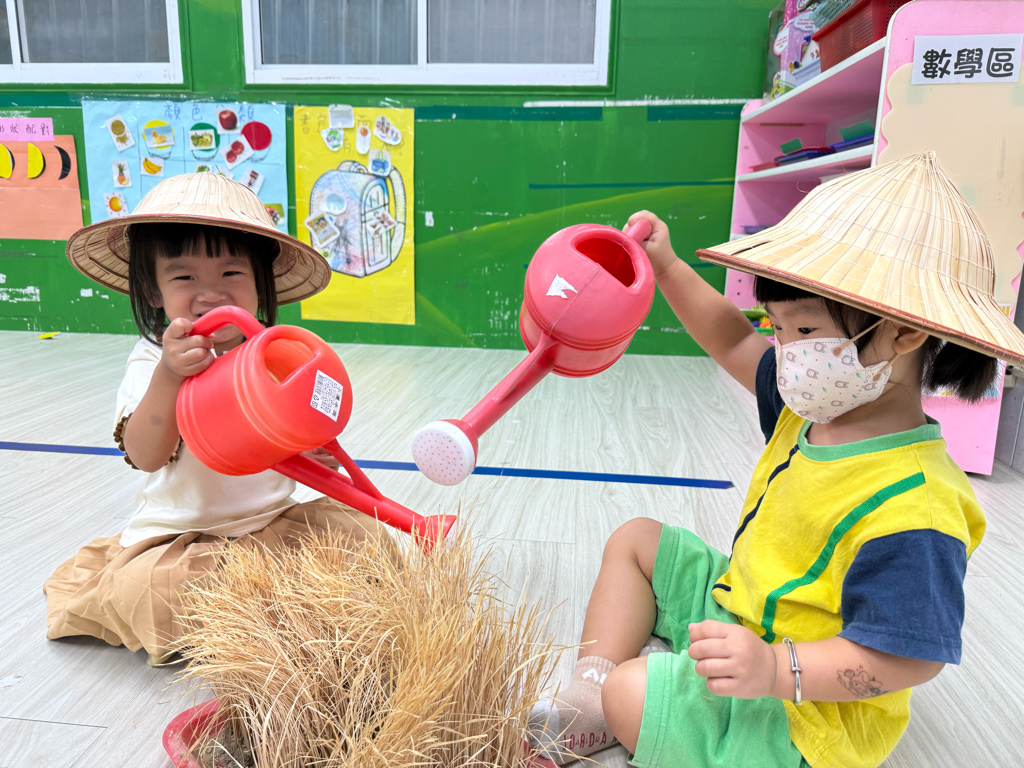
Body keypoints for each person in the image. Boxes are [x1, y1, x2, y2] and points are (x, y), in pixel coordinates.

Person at [527, 152, 1024, 768]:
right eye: (779, 329)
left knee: (634, 690)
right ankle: (590, 694)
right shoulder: (813, 402)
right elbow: (733, 337)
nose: (785, 352)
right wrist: (668, 266)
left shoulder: (917, 504)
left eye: (805, 333)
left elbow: (907, 658)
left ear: (904, 333)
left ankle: (631, 706)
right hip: (750, 609)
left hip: (808, 711)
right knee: (637, 541)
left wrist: (773, 668)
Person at [46, 173, 391, 664]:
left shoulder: (272, 354)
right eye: (184, 277)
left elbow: (295, 439)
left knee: (365, 536)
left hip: (275, 523)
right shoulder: (152, 360)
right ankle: (274, 616)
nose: (211, 294)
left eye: (231, 273)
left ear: (260, 284)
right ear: (152, 290)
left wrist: (311, 452)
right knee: (156, 593)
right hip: (185, 541)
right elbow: (145, 455)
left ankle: (269, 612)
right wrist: (169, 377)